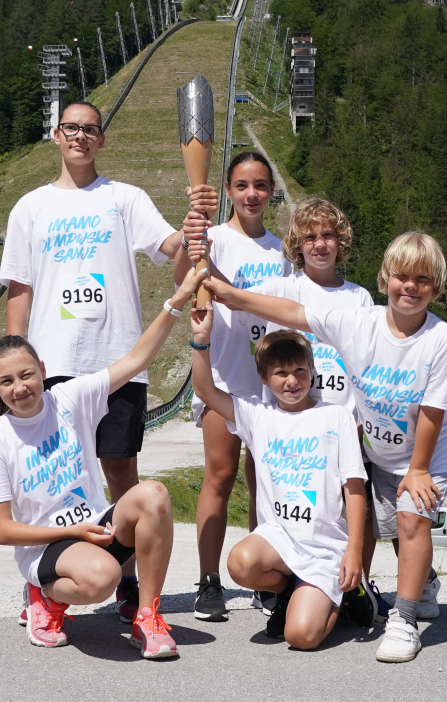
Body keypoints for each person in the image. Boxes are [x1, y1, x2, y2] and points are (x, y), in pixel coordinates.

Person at [202, 231, 447, 663]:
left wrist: (418, 469)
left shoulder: (442, 339)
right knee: (382, 529)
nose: (411, 287)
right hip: (381, 444)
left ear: (436, 287)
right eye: (402, 276)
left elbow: (433, 412)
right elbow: (294, 312)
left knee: (411, 518)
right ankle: (394, 586)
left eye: (423, 279)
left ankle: (404, 619)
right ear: (384, 279)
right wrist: (231, 295)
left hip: (428, 448)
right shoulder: (357, 323)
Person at [0, 101, 215, 621]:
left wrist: (191, 227)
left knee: (121, 470)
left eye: (90, 129)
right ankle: (50, 579)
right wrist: (12, 361)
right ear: (57, 136)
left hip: (118, 359)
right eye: (71, 128)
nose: (80, 136)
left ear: (102, 139)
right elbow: (19, 289)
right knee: (57, 478)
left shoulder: (124, 198)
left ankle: (128, 579)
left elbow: (171, 251)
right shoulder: (30, 207)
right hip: (54, 362)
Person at [0, 266, 207, 659]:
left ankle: (147, 617)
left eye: (27, 375)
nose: (20, 387)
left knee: (154, 495)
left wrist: (178, 300)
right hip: (46, 546)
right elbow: (1, 530)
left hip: (96, 527)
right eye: (7, 381)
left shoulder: (69, 398)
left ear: (43, 371)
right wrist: (72, 532)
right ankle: (45, 597)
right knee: (104, 578)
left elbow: (136, 359)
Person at [189, 319, 367, 649]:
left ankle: (343, 597)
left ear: (312, 371)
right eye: (281, 373)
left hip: (322, 548)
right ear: (264, 378)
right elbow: (205, 390)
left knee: (301, 637)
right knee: (240, 563)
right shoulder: (258, 415)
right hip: (279, 541)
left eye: (300, 371)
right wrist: (201, 340)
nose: (292, 381)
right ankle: (287, 592)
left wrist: (354, 551)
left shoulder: (336, 416)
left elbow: (354, 488)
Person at [242, 198, 378, 622]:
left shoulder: (359, 297)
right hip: (292, 421)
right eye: (310, 237)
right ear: (297, 244)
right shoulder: (283, 289)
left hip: (342, 418)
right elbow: (267, 347)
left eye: (328, 235)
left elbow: (365, 363)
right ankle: (287, 584)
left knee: (353, 503)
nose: (320, 244)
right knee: (279, 501)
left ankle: (355, 583)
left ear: (341, 241)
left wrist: (362, 415)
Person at [175, 150, 291, 621]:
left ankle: (264, 577)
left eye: (260, 185)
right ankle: (209, 581)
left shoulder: (283, 251)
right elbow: (184, 278)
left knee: (264, 480)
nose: (251, 194)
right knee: (219, 477)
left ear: (271, 192)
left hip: (273, 387)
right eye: (241, 185)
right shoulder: (214, 239)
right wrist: (190, 240)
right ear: (227, 190)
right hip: (225, 379)